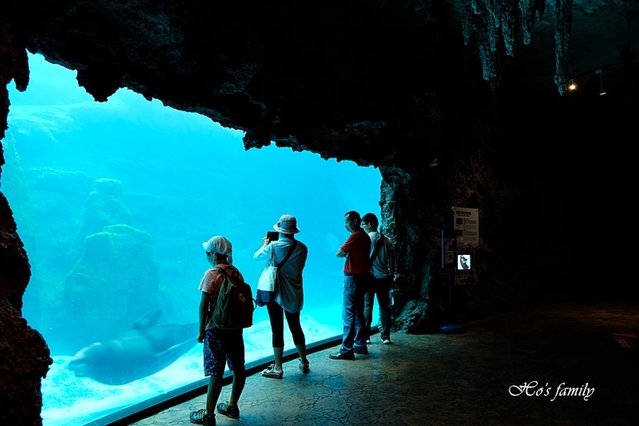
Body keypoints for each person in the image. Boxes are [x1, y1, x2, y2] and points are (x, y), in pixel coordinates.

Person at [190, 236, 246, 426]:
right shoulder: (236, 272)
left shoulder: (211, 274)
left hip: (216, 330)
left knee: (216, 372)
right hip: (235, 329)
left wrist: (201, 331)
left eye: (207, 252)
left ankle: (209, 415)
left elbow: (203, 305)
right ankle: (232, 406)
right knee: (238, 368)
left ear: (213, 254)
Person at [253, 214, 310, 378]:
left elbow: (256, 257)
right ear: (293, 231)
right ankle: (304, 361)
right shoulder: (303, 248)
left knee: (277, 329)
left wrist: (265, 244)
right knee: (296, 327)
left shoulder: (272, 247)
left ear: (280, 230)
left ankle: (278, 367)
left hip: (275, 293)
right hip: (294, 293)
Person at [330, 210, 371, 360]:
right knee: (359, 312)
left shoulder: (355, 236)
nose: (345, 225)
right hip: (362, 278)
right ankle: (360, 344)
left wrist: (345, 253)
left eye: (347, 222)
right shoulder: (365, 236)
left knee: (348, 314)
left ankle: (346, 349)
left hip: (352, 279)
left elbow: (339, 252)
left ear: (354, 221)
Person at [361, 212, 395, 345]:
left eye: (363, 224)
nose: (362, 227)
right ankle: (385, 336)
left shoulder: (366, 239)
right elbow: (391, 260)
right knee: (384, 307)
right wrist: (391, 275)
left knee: (367, 306)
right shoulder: (387, 240)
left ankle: (366, 336)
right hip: (384, 278)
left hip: (370, 278)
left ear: (369, 224)